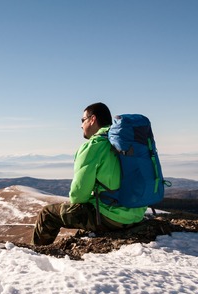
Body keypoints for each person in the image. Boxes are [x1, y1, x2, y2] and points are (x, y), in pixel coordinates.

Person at [32, 102, 147, 246]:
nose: (81, 125)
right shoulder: (125, 142)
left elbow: (78, 195)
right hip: (137, 214)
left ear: (92, 119)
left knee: (47, 214)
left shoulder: (94, 145)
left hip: (112, 218)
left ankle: (37, 254)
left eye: (82, 120)